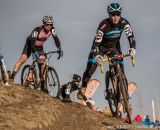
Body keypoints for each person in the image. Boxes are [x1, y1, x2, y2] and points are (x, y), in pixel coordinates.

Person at [78, 3, 136, 102]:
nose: (116, 17)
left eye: (118, 14)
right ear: (109, 15)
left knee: (121, 70)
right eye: (113, 14)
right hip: (100, 47)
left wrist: (132, 48)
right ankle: (83, 87)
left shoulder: (124, 23)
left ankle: (124, 95)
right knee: (91, 69)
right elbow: (96, 43)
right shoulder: (103, 25)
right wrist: (96, 55)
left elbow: (130, 36)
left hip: (114, 47)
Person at [10, 16, 63, 86]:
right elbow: (32, 43)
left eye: (51, 24)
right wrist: (35, 52)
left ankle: (43, 85)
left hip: (39, 46)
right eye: (47, 24)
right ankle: (12, 77)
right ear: (43, 24)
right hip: (30, 44)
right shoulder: (37, 30)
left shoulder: (52, 30)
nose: (49, 26)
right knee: (22, 59)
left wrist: (59, 48)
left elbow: (56, 39)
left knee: (42, 64)